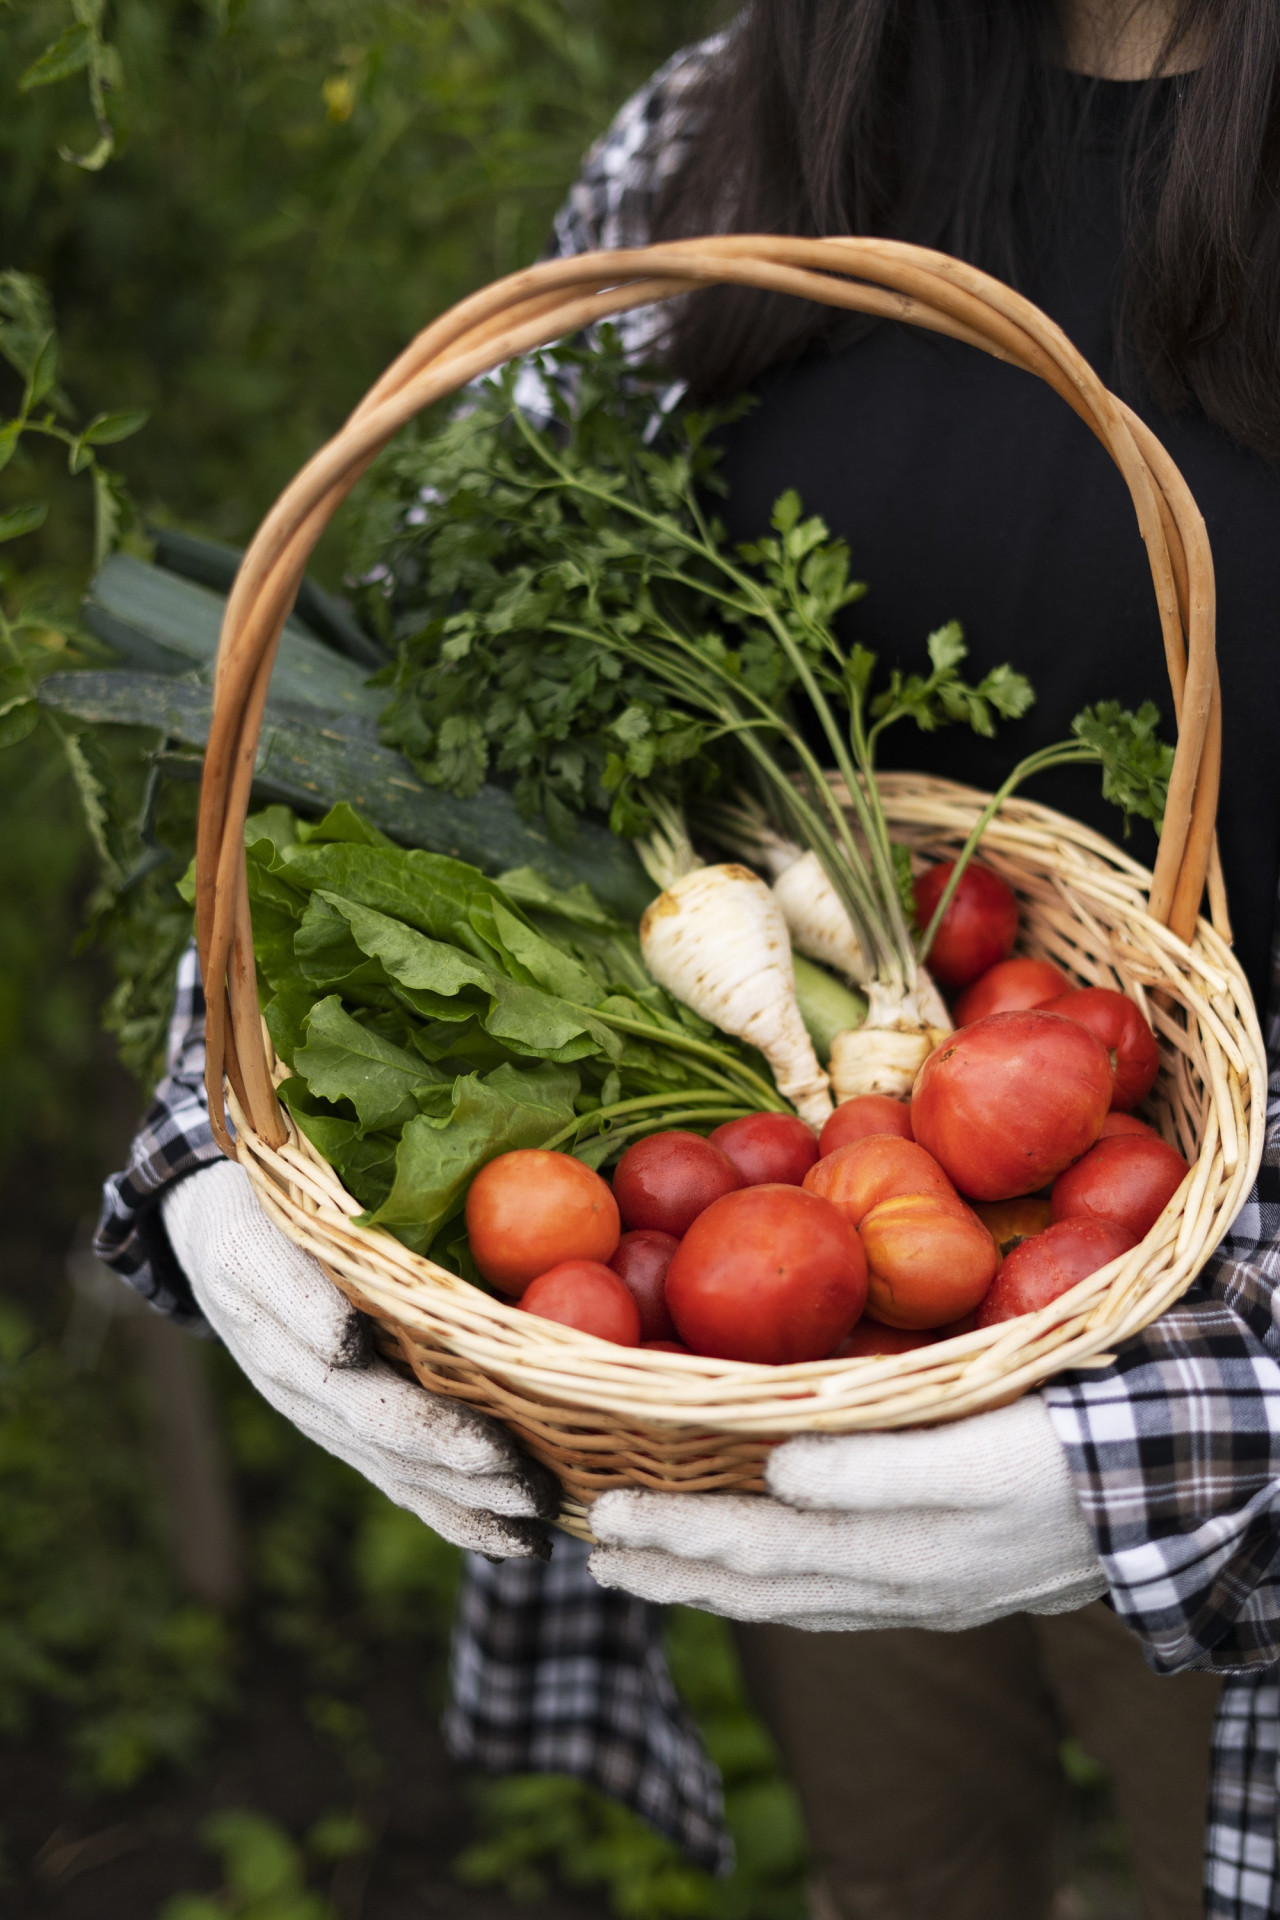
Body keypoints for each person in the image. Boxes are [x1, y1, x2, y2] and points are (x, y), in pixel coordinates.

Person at [96, 3, 1280, 1916]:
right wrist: (225, 1139)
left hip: (1189, 1294)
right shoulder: (740, 123)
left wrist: (1221, 1433)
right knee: (903, 1864)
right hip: (778, 1381)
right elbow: (397, 699)